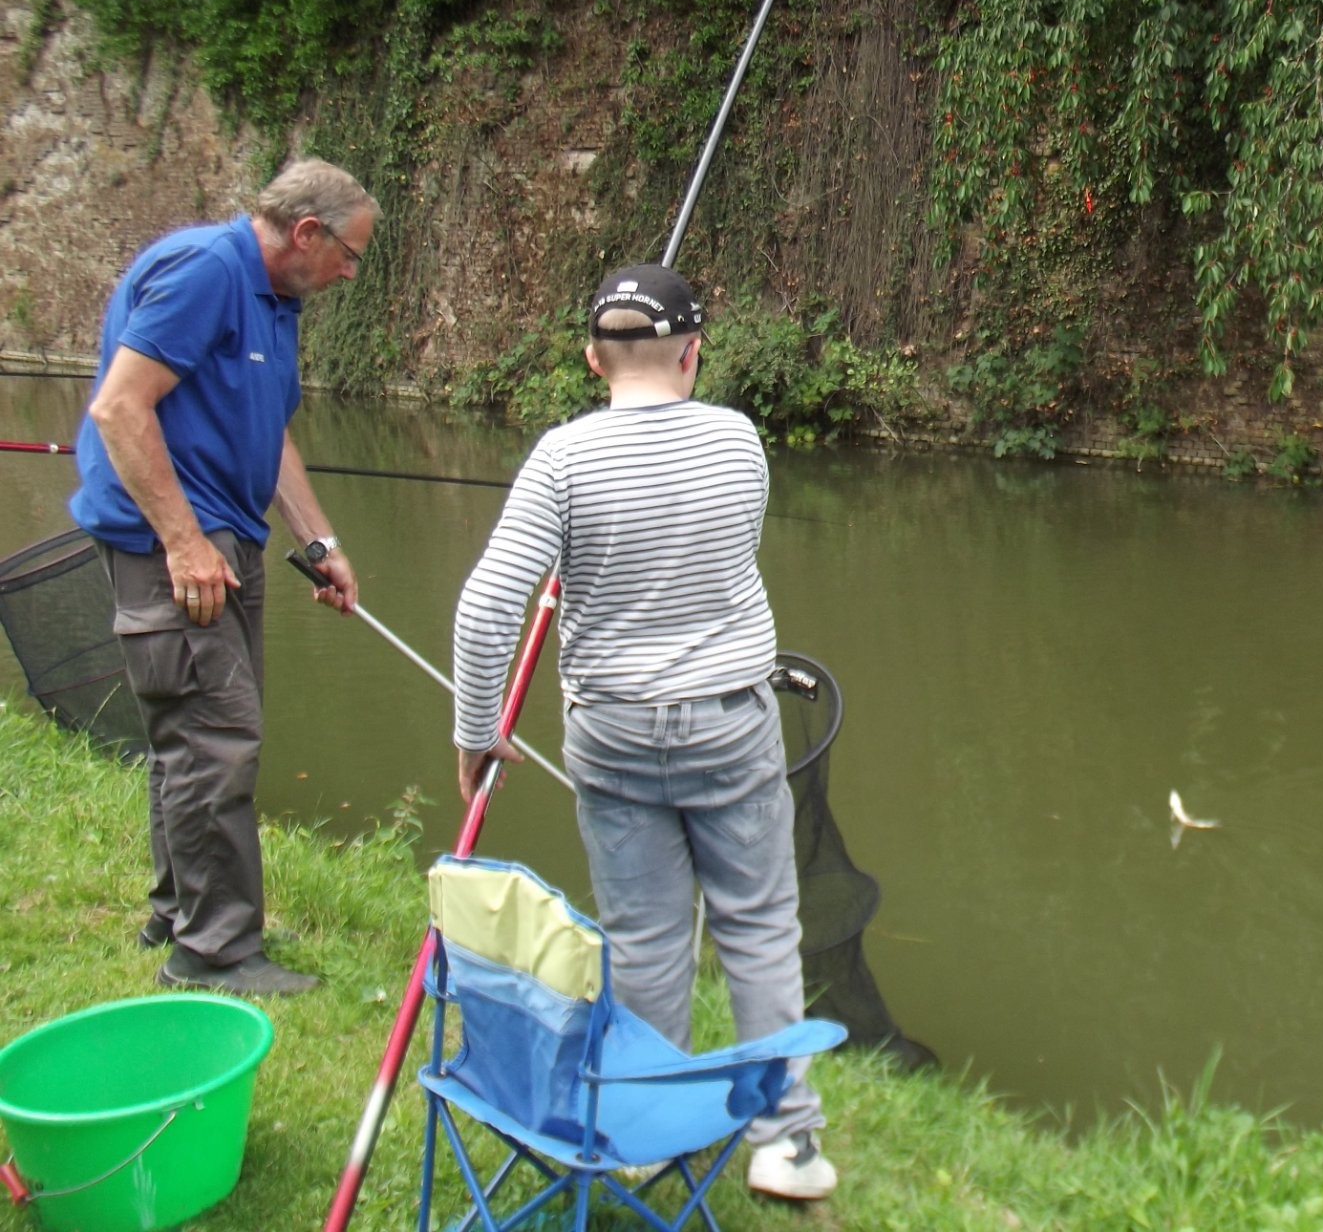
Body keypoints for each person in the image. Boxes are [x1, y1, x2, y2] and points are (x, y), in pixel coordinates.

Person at [451, 264, 835, 1201]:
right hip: (730, 724)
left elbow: (485, 610)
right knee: (756, 926)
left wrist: (475, 731)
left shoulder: (561, 457)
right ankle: (785, 1143)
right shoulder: (741, 442)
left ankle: (646, 1127)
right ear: (695, 352)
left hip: (611, 734)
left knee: (644, 935)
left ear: (590, 358)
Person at [70, 158, 377, 997]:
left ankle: (177, 911)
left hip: (228, 540)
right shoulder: (208, 271)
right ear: (306, 233)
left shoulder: (276, 302)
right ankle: (216, 954)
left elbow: (266, 435)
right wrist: (181, 541)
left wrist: (318, 541)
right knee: (216, 737)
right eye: (348, 255)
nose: (350, 274)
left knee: (193, 738)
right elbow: (120, 407)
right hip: (174, 546)